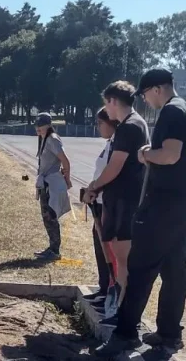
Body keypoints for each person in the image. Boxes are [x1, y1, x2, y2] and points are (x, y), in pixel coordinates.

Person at [96, 69, 186, 356]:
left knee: (139, 268)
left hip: (163, 206)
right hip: (180, 206)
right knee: (175, 273)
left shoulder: (172, 112)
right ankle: (169, 334)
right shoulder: (182, 108)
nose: (145, 100)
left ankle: (125, 335)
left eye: (146, 94)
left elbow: (170, 155)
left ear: (157, 89)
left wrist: (146, 154)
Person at [87, 81, 149, 326]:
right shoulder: (132, 125)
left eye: (106, 103)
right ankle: (118, 307)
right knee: (118, 257)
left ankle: (122, 313)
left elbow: (115, 167)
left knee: (122, 259)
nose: (106, 110)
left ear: (113, 100)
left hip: (126, 202)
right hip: (120, 201)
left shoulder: (130, 126)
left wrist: (94, 186)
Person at [82, 108, 119, 309]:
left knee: (109, 251)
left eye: (100, 123)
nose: (98, 127)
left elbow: (110, 173)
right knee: (100, 248)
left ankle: (110, 289)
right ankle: (104, 287)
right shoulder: (109, 144)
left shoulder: (117, 146)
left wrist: (95, 188)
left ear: (111, 123)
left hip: (107, 204)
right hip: (98, 201)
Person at [34, 113, 72, 260]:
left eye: (41, 125)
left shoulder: (52, 139)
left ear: (49, 125)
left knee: (50, 215)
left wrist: (66, 179)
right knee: (46, 216)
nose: (38, 127)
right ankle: (51, 248)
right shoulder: (43, 138)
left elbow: (65, 161)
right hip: (45, 182)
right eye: (36, 124)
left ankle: (55, 251)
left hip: (51, 183)